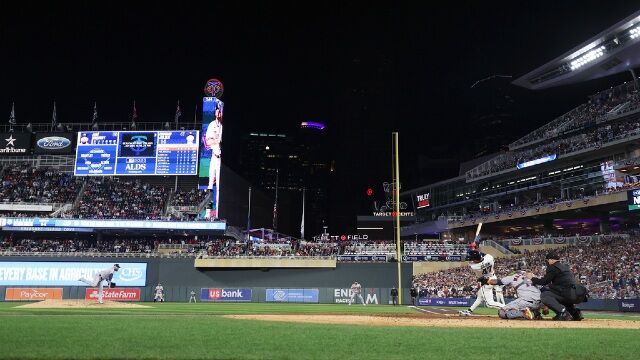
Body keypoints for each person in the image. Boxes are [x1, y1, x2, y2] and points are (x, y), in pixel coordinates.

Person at [527, 251, 587, 321]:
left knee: (545, 295)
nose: (547, 262)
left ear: (552, 260)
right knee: (561, 298)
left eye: (547, 260)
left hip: (568, 293)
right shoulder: (565, 267)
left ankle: (562, 312)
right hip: (577, 294)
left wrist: (532, 278)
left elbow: (544, 282)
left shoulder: (553, 267)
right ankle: (575, 313)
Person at [459, 249, 505, 316]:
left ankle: (507, 308)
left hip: (486, 282)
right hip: (493, 277)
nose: (472, 260)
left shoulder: (474, 266)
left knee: (489, 303)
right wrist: (476, 252)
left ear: (475, 259)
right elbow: (482, 255)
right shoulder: (489, 257)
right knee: (479, 296)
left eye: (473, 259)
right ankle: (469, 311)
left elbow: (480, 277)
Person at [205, 100, 223, 190]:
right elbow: (208, 141)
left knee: (220, 183)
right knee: (210, 181)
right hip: (214, 156)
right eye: (217, 111)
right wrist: (216, 140)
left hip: (221, 159)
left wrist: (215, 139)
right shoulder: (212, 124)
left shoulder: (223, 126)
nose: (219, 113)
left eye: (220, 111)